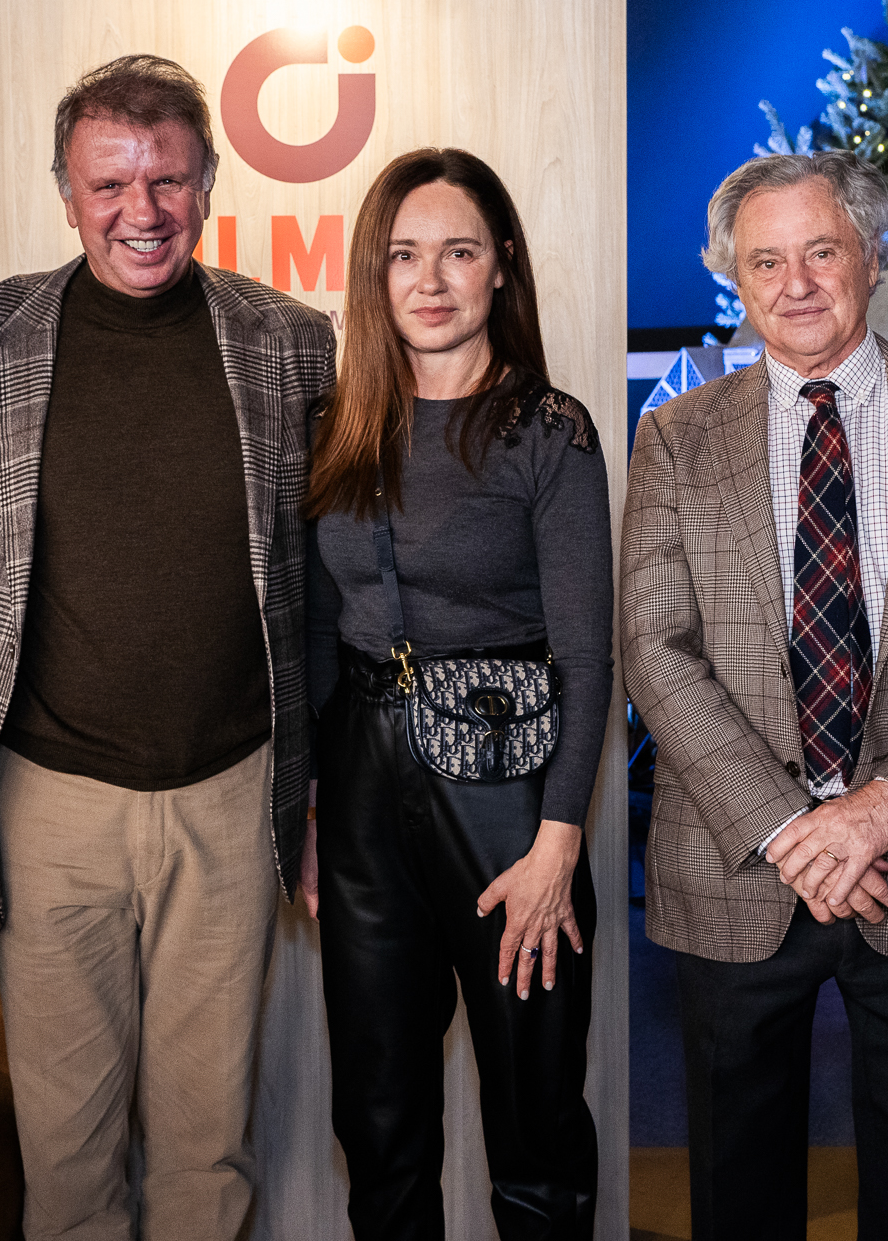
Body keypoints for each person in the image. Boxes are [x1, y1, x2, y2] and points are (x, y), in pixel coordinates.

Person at [0, 54, 334, 1239]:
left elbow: (328, 585)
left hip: (234, 789)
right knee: (66, 1152)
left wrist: (319, 791)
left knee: (208, 1151)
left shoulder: (289, 344)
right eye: (109, 184)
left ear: (208, 183)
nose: (139, 212)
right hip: (46, 799)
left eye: (166, 180)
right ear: (66, 191)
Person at [621, 151, 888, 1241]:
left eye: (820, 250)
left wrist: (877, 810)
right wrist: (789, 828)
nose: (795, 282)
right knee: (736, 1197)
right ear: (734, 277)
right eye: (764, 260)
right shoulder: (675, 434)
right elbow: (653, 644)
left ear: (870, 253)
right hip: (734, 867)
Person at [302, 147, 609, 1240]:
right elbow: (312, 635)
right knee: (378, 1119)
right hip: (359, 795)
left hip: (509, 799)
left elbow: (586, 651)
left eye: (459, 251)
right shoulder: (335, 429)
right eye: (403, 255)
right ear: (373, 278)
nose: (429, 279)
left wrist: (558, 842)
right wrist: (308, 813)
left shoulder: (549, 431)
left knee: (532, 1120)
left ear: (500, 268)